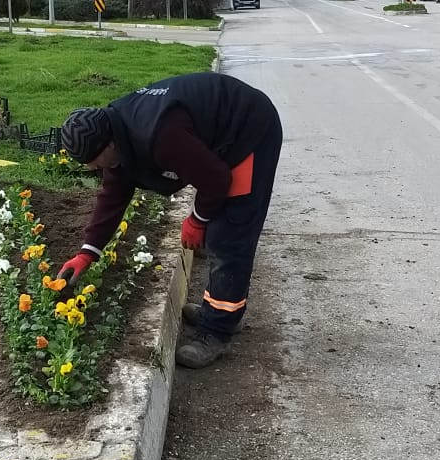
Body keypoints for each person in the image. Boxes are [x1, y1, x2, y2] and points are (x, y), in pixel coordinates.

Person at [56, 73, 283, 369]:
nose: (91, 167)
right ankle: (217, 311)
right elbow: (113, 196)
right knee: (221, 231)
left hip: (248, 131)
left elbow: (216, 179)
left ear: (109, 143)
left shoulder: (159, 135)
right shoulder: (117, 133)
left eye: (94, 160)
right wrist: (87, 252)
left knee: (229, 236)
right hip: (220, 136)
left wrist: (197, 219)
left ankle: (217, 332)